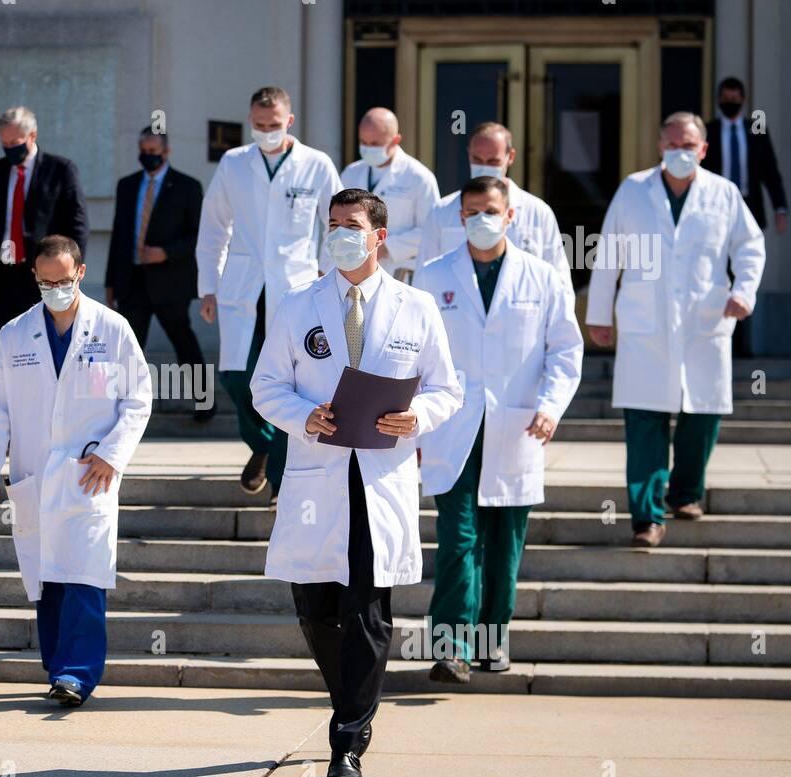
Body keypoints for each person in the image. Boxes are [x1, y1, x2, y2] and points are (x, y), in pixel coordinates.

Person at [251, 188, 462, 777]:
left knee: (367, 613)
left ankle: (347, 741)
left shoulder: (416, 307)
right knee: (315, 608)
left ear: (379, 236)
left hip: (380, 476)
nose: (340, 233)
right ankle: (354, 701)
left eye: (352, 225)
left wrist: (417, 417)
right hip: (318, 475)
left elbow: (449, 389)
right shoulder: (296, 306)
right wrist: (303, 416)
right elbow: (266, 386)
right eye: (333, 224)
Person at [415, 176, 584, 683]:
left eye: (490, 211)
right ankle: (452, 647)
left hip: (517, 425)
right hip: (453, 426)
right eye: (471, 212)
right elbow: (414, 356)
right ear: (459, 218)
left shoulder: (542, 277)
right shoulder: (431, 276)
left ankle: (494, 638)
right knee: (458, 537)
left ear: (511, 216)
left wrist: (552, 406)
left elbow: (566, 349)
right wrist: (417, 425)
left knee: (505, 542)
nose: (480, 220)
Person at [0, 235, 152, 706]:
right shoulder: (15, 334)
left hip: (89, 474)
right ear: (34, 277)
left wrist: (113, 453)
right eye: (45, 281)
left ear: (81, 273)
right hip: (33, 474)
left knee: (85, 575)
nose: (55, 289)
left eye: (63, 280)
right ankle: (58, 669)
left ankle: (78, 674)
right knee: (47, 577)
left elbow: (137, 399)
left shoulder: (112, 329)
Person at [586, 112, 764, 548]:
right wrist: (598, 312)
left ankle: (686, 493)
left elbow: (750, 247)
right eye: (672, 144)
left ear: (703, 150)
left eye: (689, 146)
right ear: (659, 147)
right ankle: (647, 518)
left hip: (705, 322)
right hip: (645, 324)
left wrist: (745, 292)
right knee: (644, 420)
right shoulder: (634, 189)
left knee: (701, 415)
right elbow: (610, 250)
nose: (680, 153)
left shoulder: (724, 193)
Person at [197, 86, 343, 499]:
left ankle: (280, 477)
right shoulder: (234, 163)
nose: (266, 132)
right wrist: (208, 286)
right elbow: (213, 228)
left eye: (274, 125)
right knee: (235, 378)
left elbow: (336, 222)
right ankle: (262, 444)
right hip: (242, 286)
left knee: (289, 383)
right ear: (250, 122)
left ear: (289, 121)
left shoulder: (316, 165)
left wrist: (326, 274)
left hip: (297, 286)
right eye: (259, 126)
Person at [105, 127, 213, 422]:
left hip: (170, 281)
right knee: (128, 346)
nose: (148, 156)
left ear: (166, 152)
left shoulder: (187, 186)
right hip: (133, 280)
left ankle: (204, 402)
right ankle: (122, 407)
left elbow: (199, 236)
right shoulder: (127, 185)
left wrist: (166, 252)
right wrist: (111, 282)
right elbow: (119, 236)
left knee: (183, 341)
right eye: (144, 150)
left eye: (154, 151)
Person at [0, 107, 89, 348]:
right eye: (4, 143)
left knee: (42, 348)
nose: (9, 148)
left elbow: (77, 225)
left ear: (32, 135)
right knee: (0, 348)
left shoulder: (61, 170)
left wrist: (70, 273)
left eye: (15, 142)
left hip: (42, 275)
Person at [418, 122, 570, 281]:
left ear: (510, 157)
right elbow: (424, 276)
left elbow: (560, 279)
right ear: (469, 154)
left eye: (492, 161)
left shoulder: (538, 212)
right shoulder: (441, 212)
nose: (484, 167)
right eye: (477, 159)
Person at [703, 77, 789, 357]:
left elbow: (770, 172)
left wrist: (780, 209)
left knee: (746, 275)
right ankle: (723, 341)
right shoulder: (709, 131)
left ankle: (744, 344)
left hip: (749, 212)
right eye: (725, 99)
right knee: (718, 276)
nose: (730, 103)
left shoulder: (757, 130)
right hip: (714, 215)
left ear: (743, 99)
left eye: (735, 99)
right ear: (718, 100)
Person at [338, 107, 440, 281]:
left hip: (400, 273)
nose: (368, 148)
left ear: (396, 140)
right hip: (353, 270)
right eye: (364, 142)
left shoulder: (419, 178)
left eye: (375, 144)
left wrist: (384, 247)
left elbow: (431, 230)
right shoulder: (351, 173)